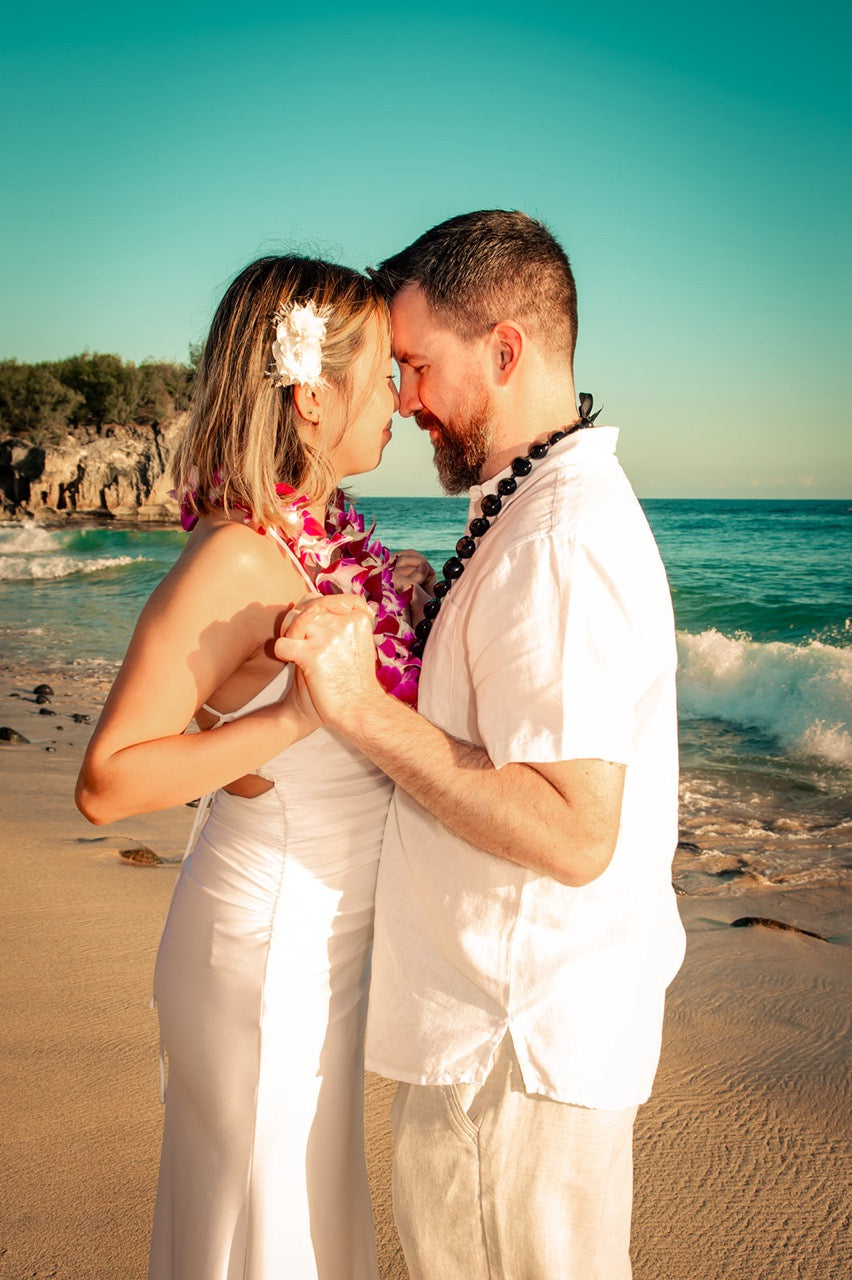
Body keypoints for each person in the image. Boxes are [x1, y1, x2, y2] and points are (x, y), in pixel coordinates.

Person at [276, 210, 687, 1280]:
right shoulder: (535, 511)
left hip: (511, 1048)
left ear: (504, 349)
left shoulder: (560, 536)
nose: (401, 395)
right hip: (505, 1035)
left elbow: (573, 828)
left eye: (415, 363)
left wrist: (360, 707)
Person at [75, 254, 420, 1280]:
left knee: (294, 1218)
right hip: (266, 951)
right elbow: (108, 781)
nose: (402, 396)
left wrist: (404, 607)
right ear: (314, 397)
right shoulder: (234, 554)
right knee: (268, 1233)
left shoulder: (315, 545)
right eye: (385, 373)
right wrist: (303, 713)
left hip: (314, 947)